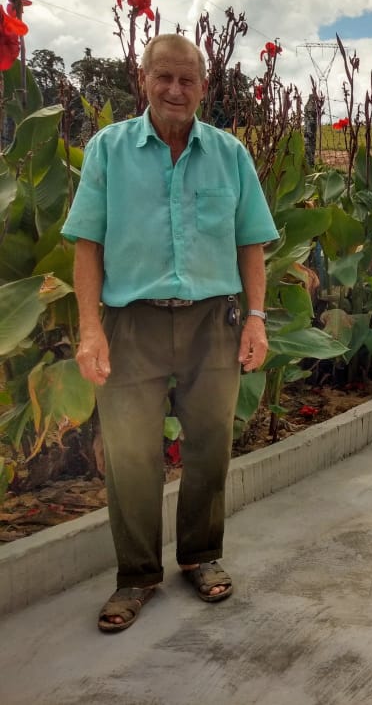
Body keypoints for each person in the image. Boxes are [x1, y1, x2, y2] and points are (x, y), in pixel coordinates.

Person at [62, 33, 279, 632]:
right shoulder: (109, 150)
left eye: (188, 79)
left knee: (211, 446)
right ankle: (135, 577)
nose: (176, 89)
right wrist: (89, 329)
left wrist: (256, 319)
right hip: (131, 323)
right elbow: (88, 245)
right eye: (165, 77)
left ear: (203, 87)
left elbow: (250, 243)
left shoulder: (230, 154)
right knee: (132, 457)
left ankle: (201, 556)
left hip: (214, 321)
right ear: (144, 79)